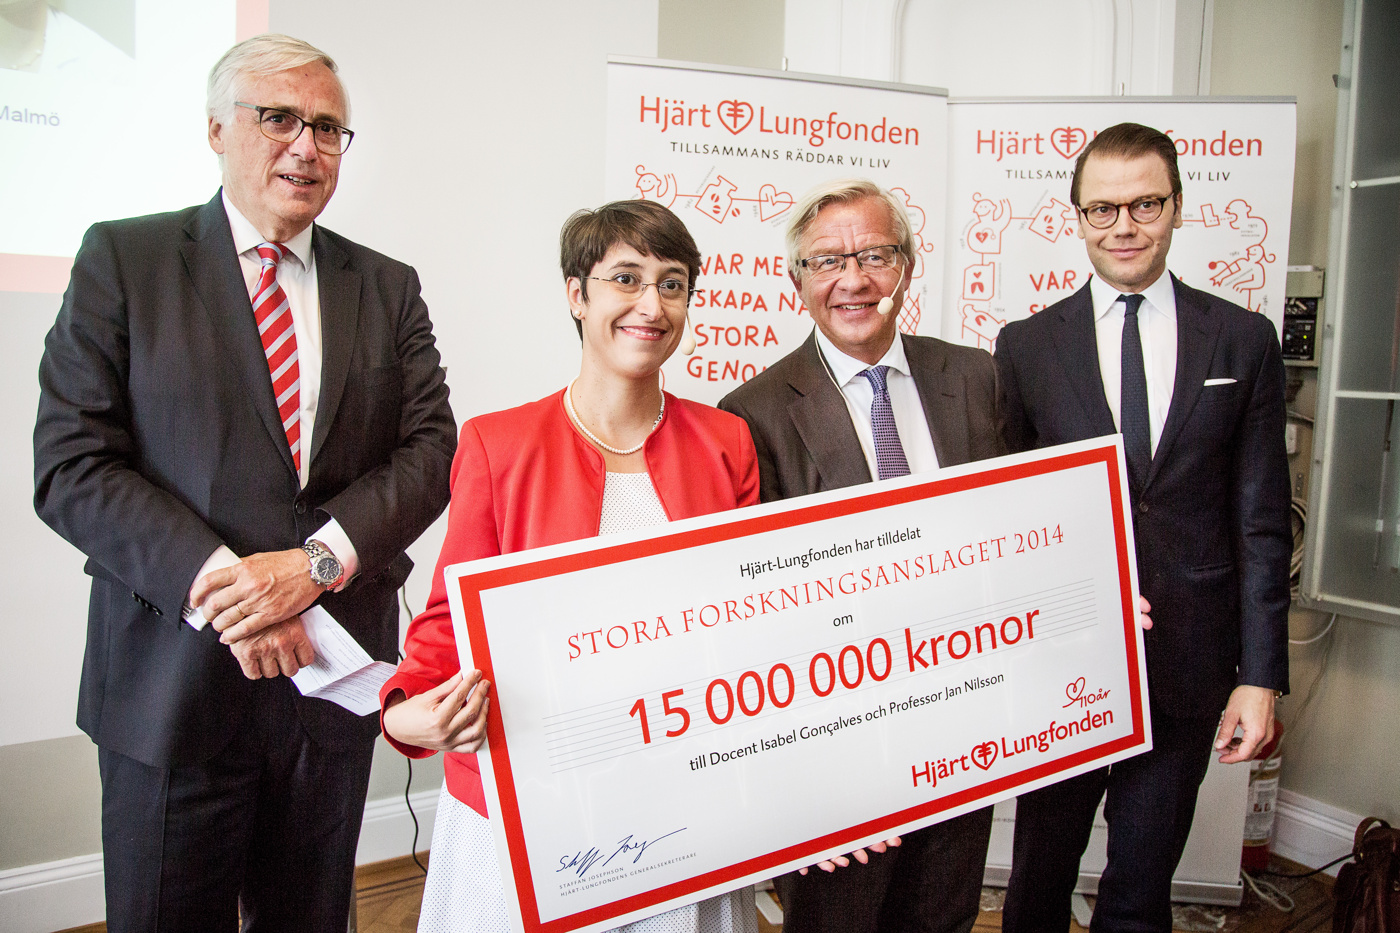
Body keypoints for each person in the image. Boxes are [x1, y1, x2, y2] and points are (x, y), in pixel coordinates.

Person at [31, 34, 456, 932]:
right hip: (172, 685)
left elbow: (430, 452)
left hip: (330, 686)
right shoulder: (125, 260)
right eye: (279, 118)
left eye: (328, 128)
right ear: (217, 130)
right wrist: (237, 593)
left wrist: (312, 566)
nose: (306, 146)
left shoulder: (387, 286)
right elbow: (72, 463)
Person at [380, 199, 760, 933]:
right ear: (577, 295)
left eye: (673, 284)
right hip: (533, 792)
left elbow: (749, 621)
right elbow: (451, 618)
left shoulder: (727, 442)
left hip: (682, 785)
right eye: (627, 278)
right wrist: (406, 708)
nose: (652, 304)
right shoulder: (497, 444)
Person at [993, 122, 1291, 933]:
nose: (1123, 225)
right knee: (1037, 881)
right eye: (1103, 209)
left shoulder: (1242, 340)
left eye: (1145, 204)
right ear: (1078, 217)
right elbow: (1010, 517)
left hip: (1189, 661)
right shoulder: (1025, 347)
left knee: (1140, 888)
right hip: (1066, 658)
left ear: (1178, 207)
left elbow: (1262, 521)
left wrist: (1261, 675)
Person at [718, 178, 1003, 933]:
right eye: (828, 261)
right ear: (798, 281)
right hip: (841, 735)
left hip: (964, 708)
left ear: (906, 265)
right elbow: (761, 606)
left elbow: (1016, 528)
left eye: (875, 254)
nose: (854, 279)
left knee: (942, 915)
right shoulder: (753, 413)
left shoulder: (975, 376)